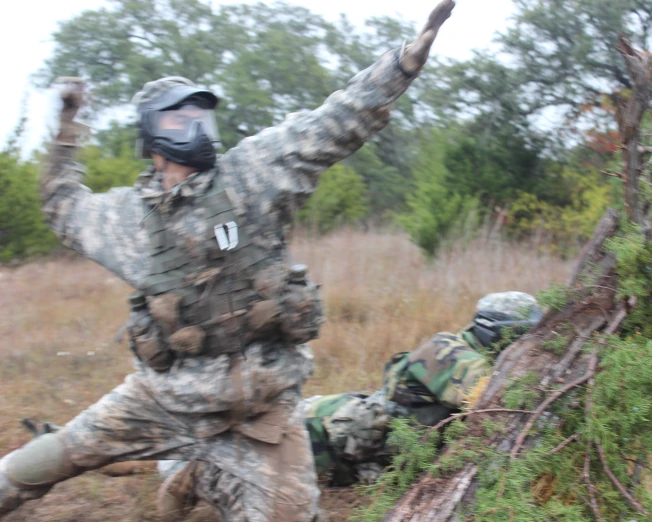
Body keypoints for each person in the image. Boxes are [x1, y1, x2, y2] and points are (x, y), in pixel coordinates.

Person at [0, 2, 455, 521]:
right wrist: (65, 132)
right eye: (179, 116)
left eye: (201, 115)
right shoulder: (122, 219)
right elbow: (62, 205)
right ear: (152, 136)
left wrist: (400, 65)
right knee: (37, 464)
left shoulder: (253, 174)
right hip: (163, 401)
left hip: (260, 413)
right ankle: (188, 464)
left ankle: (202, 471)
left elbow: (335, 121)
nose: (194, 126)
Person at [156, 291, 542, 518]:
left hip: (366, 458)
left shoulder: (477, 356)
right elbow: (489, 398)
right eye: (525, 338)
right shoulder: (447, 350)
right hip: (326, 431)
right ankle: (188, 466)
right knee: (240, 462)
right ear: (497, 334)